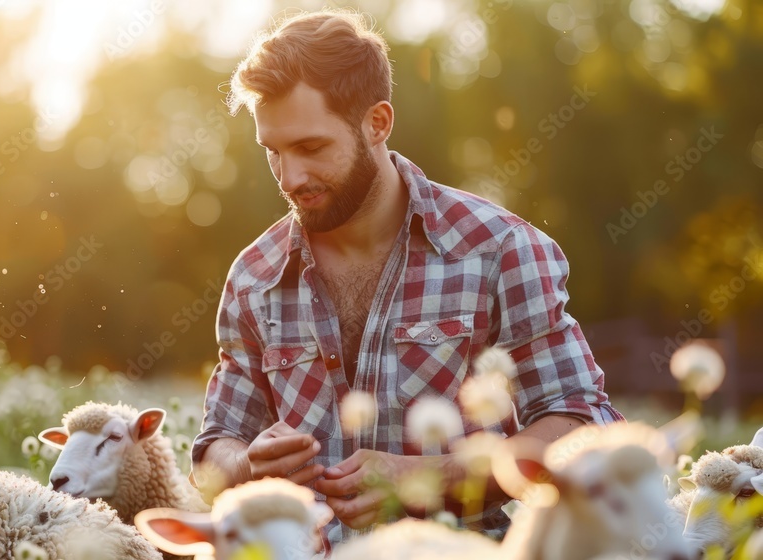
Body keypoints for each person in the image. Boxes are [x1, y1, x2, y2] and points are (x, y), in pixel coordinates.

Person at [189, 8, 623, 552]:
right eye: (272, 152)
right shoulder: (253, 277)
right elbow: (213, 451)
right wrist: (246, 465)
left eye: (311, 147)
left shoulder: (500, 250)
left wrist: (430, 478)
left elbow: (580, 426)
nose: (291, 177)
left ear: (377, 123)